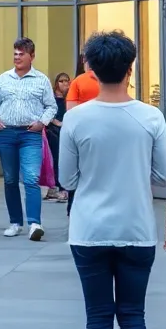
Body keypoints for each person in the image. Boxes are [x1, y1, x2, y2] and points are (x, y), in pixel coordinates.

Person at [59, 31, 166, 329]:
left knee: (97, 317)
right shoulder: (150, 116)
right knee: (134, 317)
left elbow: (67, 179)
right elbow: (165, 174)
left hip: (89, 230)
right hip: (136, 229)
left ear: (91, 68)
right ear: (130, 69)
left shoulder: (75, 118)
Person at [0, 37, 56, 241]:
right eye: (15, 53)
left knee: (31, 178)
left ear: (32, 56)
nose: (17, 57)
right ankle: (15, 223)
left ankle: (35, 223)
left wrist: (42, 123)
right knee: (9, 179)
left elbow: (51, 106)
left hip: (31, 135)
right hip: (6, 134)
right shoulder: (4, 78)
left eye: (21, 54)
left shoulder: (41, 80)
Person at [64, 54, 100, 214]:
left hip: (82, 134)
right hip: (103, 134)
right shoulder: (109, 81)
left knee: (78, 173)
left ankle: (73, 209)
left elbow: (71, 112)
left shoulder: (78, 81)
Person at [46, 72, 71, 202]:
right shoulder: (52, 98)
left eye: (66, 81)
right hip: (53, 131)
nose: (64, 84)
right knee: (54, 159)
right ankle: (55, 186)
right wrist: (56, 122)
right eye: (61, 81)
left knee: (64, 159)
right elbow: (46, 111)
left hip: (65, 131)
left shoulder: (70, 97)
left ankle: (63, 188)